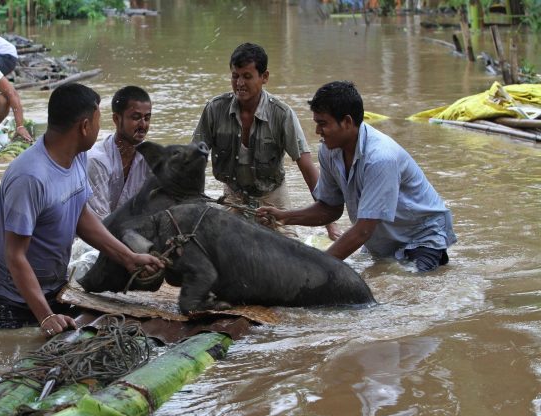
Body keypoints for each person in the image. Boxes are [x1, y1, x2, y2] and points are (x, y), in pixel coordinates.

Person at [0, 83, 163, 335]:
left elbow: (81, 215)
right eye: (97, 121)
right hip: (8, 300)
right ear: (84, 127)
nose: (99, 129)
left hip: (53, 288)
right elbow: (14, 255)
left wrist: (128, 258)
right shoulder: (30, 177)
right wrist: (46, 317)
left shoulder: (77, 156)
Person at [257, 81, 457, 272]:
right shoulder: (329, 150)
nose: (318, 131)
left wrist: (317, 267)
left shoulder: (380, 158)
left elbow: (363, 230)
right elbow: (330, 209)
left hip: (421, 236)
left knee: (408, 287)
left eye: (323, 124)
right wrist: (284, 217)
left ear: (347, 122)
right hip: (382, 240)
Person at [192, 42, 339, 240]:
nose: (240, 83)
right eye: (235, 76)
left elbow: (306, 168)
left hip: (272, 198)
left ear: (264, 77)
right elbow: (193, 159)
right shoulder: (214, 109)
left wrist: (330, 223)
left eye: (247, 76)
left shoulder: (282, 115)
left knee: (291, 253)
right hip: (233, 196)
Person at [86, 85, 153, 219]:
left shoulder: (150, 157)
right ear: (116, 119)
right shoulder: (96, 161)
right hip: (94, 236)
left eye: (147, 118)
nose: (143, 125)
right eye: (136, 117)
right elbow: (101, 222)